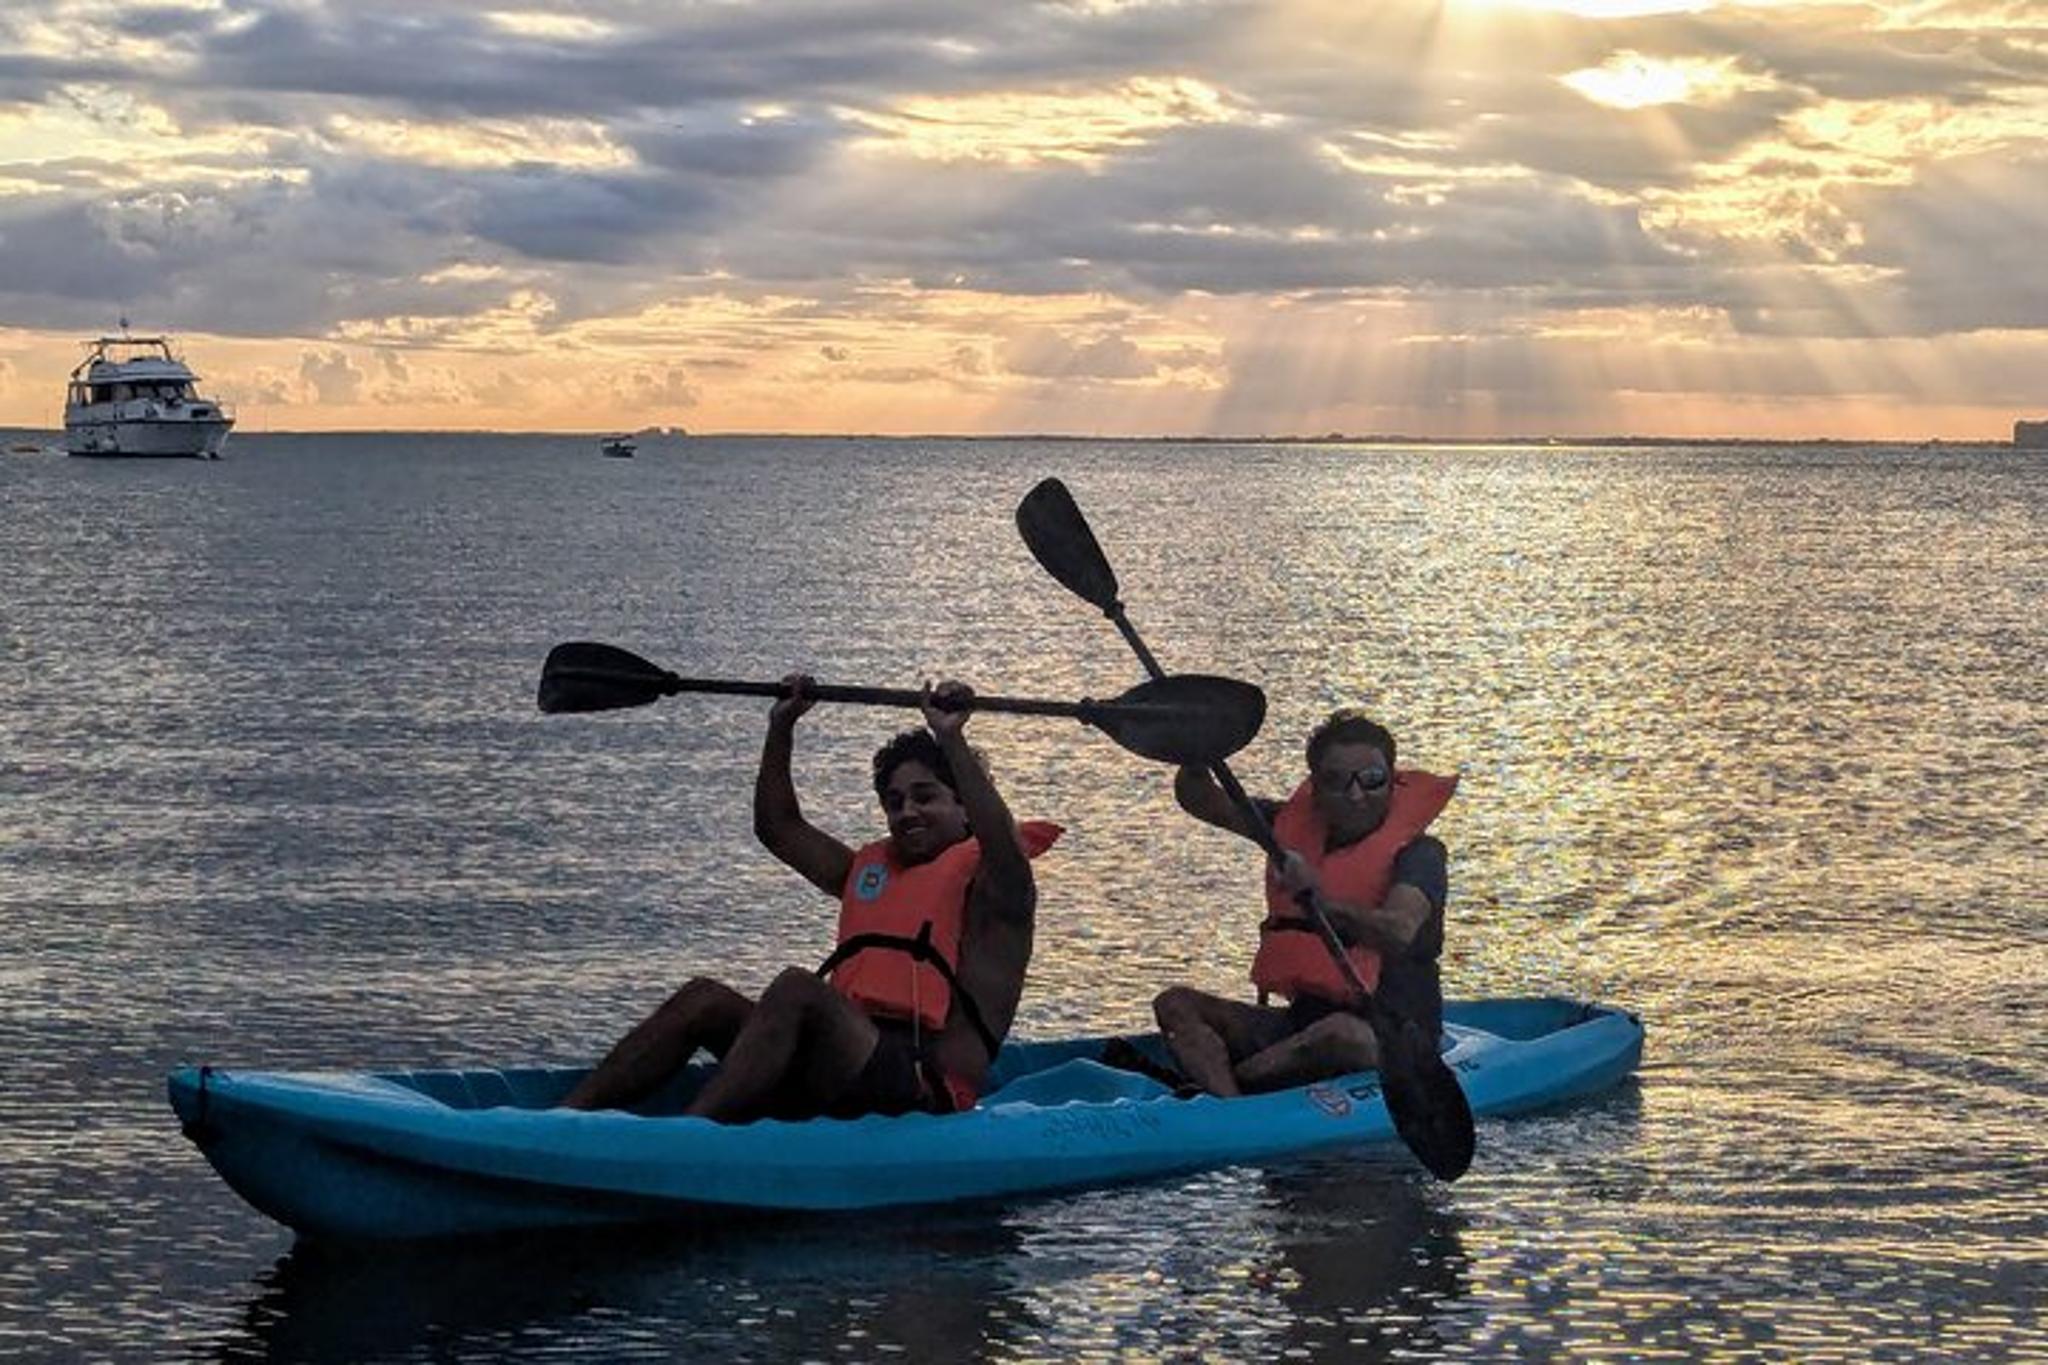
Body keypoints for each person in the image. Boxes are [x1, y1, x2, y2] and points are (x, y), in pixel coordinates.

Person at [562, 676, 1059, 1120]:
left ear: (964, 805)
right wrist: (782, 727)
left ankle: (691, 1137)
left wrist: (952, 739)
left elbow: (1002, 844)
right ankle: (564, 1122)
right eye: (894, 802)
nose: (907, 811)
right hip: (840, 1068)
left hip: (922, 1090)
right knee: (704, 999)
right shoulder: (867, 873)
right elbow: (778, 828)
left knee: (798, 989)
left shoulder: (1000, 893)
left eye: (924, 796)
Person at [1150, 709, 1455, 1097]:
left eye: (1373, 780)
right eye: (1336, 781)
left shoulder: (1420, 854)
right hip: (1300, 1025)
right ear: (1315, 786)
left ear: (1393, 783)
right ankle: (1231, 1111)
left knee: (1336, 1034)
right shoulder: (1287, 828)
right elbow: (1202, 800)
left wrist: (1321, 902)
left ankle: (1231, 1086)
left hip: (1390, 1036)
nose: (1356, 795)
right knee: (1175, 1004)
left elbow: (1398, 929)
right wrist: (1196, 755)